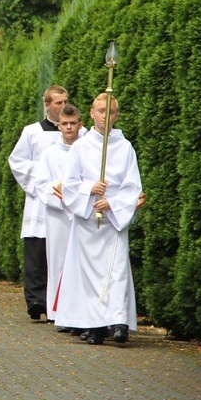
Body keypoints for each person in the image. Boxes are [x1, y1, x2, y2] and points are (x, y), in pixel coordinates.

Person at [54, 94, 143, 345]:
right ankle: (93, 325)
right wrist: (90, 189)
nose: (106, 115)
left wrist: (113, 203)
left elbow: (132, 186)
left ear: (117, 115)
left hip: (113, 220)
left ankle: (118, 321)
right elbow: (69, 183)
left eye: (111, 111)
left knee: (116, 272)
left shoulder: (125, 148)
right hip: (87, 218)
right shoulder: (80, 147)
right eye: (101, 110)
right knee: (87, 275)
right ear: (92, 114)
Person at [8, 85, 69, 320]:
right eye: (58, 103)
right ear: (47, 105)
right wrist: (43, 177)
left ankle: (58, 302)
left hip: (64, 200)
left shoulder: (77, 133)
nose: (63, 107)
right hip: (39, 200)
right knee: (36, 252)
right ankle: (35, 300)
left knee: (60, 253)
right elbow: (17, 161)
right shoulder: (32, 131)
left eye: (65, 102)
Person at [34, 104, 82, 325]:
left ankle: (79, 312)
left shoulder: (86, 150)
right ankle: (57, 312)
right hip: (59, 214)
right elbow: (42, 184)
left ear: (80, 125)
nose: (69, 127)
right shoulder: (49, 154)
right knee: (58, 261)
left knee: (81, 262)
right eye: (65, 124)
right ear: (59, 126)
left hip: (82, 213)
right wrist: (61, 194)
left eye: (73, 123)